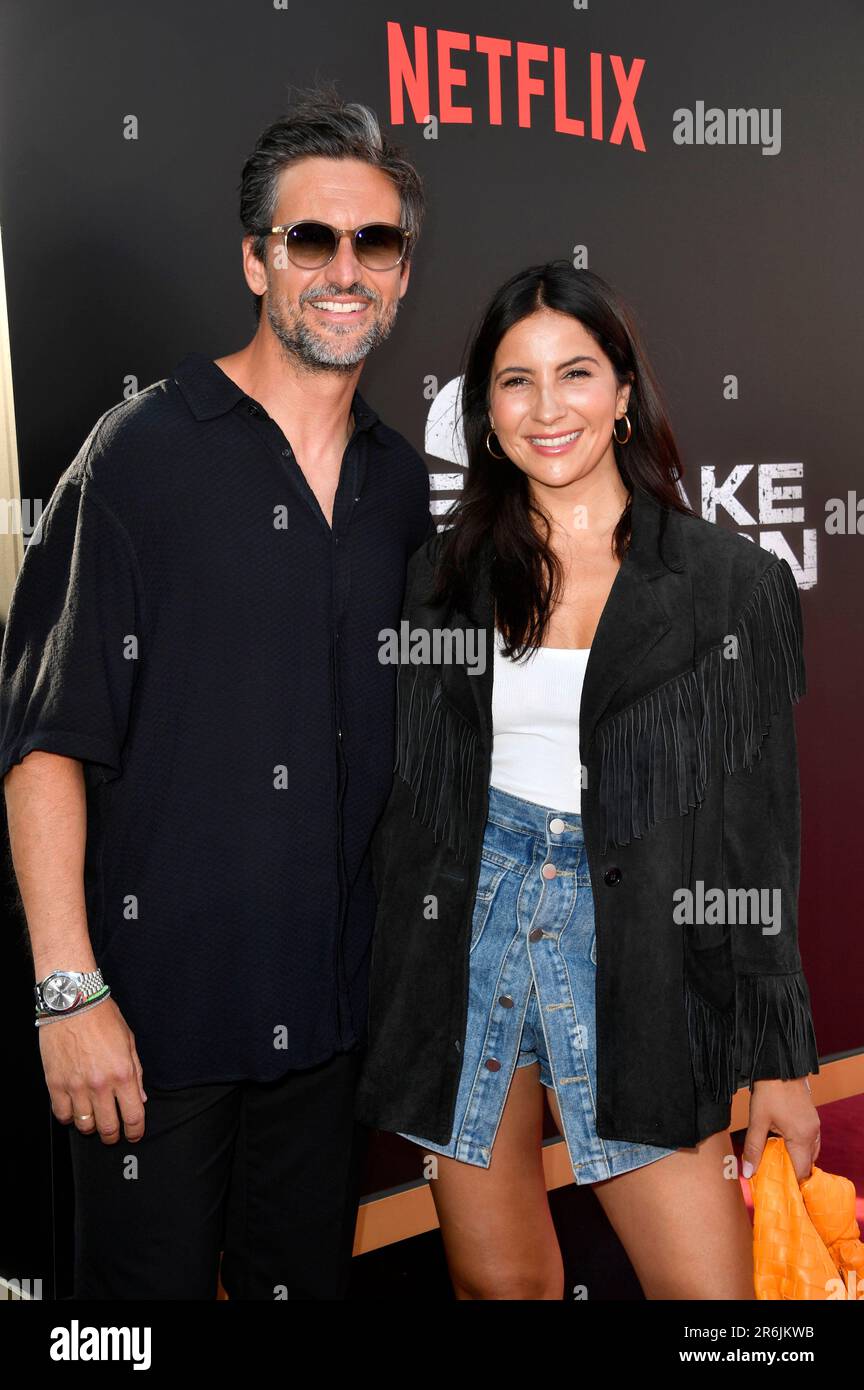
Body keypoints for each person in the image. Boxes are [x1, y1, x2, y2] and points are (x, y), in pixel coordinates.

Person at [0, 85, 432, 1300]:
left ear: (402, 273)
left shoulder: (402, 487)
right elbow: (43, 742)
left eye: (376, 242)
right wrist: (68, 990)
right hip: (150, 1030)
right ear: (256, 259)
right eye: (312, 239)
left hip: (329, 1033)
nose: (345, 270)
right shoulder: (140, 453)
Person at [354, 261, 822, 1300]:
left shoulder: (725, 585)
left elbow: (755, 841)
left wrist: (781, 1058)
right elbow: (412, 803)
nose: (546, 406)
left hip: (636, 939)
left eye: (575, 372)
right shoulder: (441, 578)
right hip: (466, 928)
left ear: (622, 393)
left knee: (712, 1301)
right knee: (499, 1282)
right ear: (484, 412)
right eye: (514, 382)